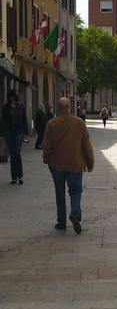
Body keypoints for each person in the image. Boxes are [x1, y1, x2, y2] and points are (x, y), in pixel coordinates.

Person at [42, 97, 95, 233]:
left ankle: (61, 221)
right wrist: (90, 162)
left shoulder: (51, 124)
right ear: (69, 108)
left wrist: (46, 158)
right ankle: (75, 214)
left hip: (57, 163)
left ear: (58, 108)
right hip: (75, 163)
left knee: (59, 192)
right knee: (76, 191)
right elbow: (86, 145)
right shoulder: (79, 123)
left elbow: (46, 145)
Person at [0, 90, 29, 184]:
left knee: (16, 152)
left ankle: (20, 176)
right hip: (9, 132)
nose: (14, 97)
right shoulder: (5, 108)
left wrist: (26, 132)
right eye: (12, 96)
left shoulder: (21, 106)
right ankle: (14, 177)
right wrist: (2, 134)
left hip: (19, 131)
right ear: (9, 97)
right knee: (13, 154)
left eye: (15, 96)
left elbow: (24, 119)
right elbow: (3, 122)